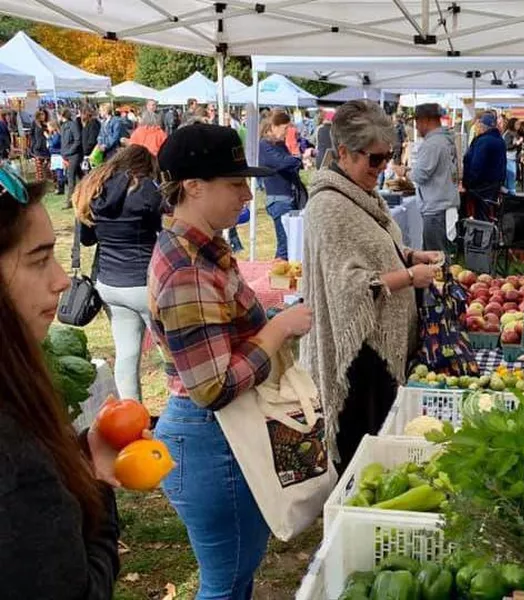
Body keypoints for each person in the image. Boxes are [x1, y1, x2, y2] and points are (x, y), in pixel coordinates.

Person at [150, 123, 312, 599]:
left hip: (218, 437)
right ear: (193, 187)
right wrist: (278, 330)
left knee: (235, 580)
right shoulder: (186, 269)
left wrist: (273, 319)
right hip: (211, 439)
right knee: (224, 586)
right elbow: (213, 387)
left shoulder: (201, 250)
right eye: (235, 183)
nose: (247, 193)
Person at [0, 165, 121, 598]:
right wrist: (101, 485)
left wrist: (74, 458)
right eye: (38, 259)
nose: (62, 279)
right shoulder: (14, 458)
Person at [301, 100, 440, 472]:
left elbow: (375, 249)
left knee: (379, 445)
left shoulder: (361, 194)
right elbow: (348, 285)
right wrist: (409, 278)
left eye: (388, 157)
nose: (381, 169)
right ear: (343, 152)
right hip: (356, 353)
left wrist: (408, 256)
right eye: (374, 160)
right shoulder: (329, 206)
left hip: (378, 349)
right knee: (359, 453)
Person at [73, 145, 162, 401]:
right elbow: (165, 229)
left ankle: (132, 420)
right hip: (145, 283)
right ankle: (183, 414)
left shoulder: (93, 188)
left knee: (126, 354)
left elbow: (87, 239)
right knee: (172, 355)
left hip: (109, 284)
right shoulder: (146, 189)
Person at [398, 103, 459, 253]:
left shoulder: (433, 144)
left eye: (417, 122)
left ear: (427, 120)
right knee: (439, 256)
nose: (416, 126)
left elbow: (420, 176)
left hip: (436, 208)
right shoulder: (446, 140)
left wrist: (404, 172)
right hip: (443, 205)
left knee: (436, 259)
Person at [259, 111, 302, 261]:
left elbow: (292, 164)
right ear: (273, 127)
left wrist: (294, 160)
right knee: (285, 246)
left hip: (289, 198)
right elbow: (283, 163)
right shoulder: (264, 145)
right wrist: (297, 158)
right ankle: (278, 278)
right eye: (285, 128)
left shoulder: (279, 145)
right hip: (279, 200)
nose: (286, 133)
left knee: (293, 245)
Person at [462, 111, 506, 220]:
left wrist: (467, 183)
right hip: (494, 185)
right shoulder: (500, 140)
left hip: (481, 187)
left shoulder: (483, 141)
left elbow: (476, 166)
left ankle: (479, 235)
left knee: (480, 216)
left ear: (482, 126)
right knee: (489, 213)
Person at [60, 107, 83, 209]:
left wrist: (69, 151)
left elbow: (78, 140)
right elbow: (63, 142)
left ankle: (69, 201)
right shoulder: (63, 126)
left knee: (71, 177)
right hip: (67, 155)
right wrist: (63, 154)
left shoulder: (73, 125)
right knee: (80, 176)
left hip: (74, 155)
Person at [31, 108, 50, 182]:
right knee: (39, 169)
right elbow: (32, 135)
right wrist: (34, 145)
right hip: (38, 149)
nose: (43, 116)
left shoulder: (47, 123)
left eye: (44, 114)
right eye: (41, 114)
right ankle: (40, 182)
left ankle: (50, 183)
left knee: (48, 168)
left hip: (47, 149)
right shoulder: (34, 123)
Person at [502, 116, 520, 194]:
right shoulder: (508, 133)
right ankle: (512, 197)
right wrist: (517, 143)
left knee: (509, 180)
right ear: (512, 124)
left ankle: (509, 197)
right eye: (517, 124)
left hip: (511, 158)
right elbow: (507, 146)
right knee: (511, 179)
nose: (519, 126)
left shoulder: (511, 133)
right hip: (509, 158)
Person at [47, 119, 65, 195]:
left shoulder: (57, 135)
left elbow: (53, 144)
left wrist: (48, 138)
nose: (48, 128)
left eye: (49, 127)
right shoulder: (53, 135)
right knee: (56, 172)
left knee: (59, 172)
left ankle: (61, 188)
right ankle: (58, 187)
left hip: (58, 155)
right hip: (54, 155)